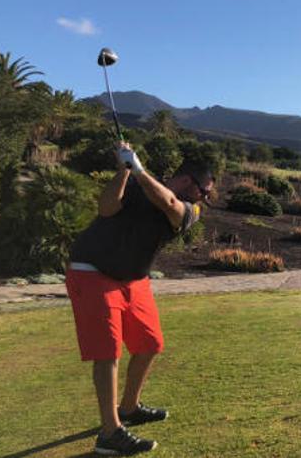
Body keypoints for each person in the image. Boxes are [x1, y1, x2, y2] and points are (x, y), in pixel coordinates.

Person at [65, 142, 214, 455]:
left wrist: (139, 170)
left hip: (134, 279)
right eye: (205, 191)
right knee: (107, 352)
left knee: (149, 344)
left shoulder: (190, 210)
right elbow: (106, 208)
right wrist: (123, 172)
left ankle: (130, 407)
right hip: (92, 271)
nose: (205, 198)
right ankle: (110, 432)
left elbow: (170, 203)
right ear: (189, 181)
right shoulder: (132, 182)